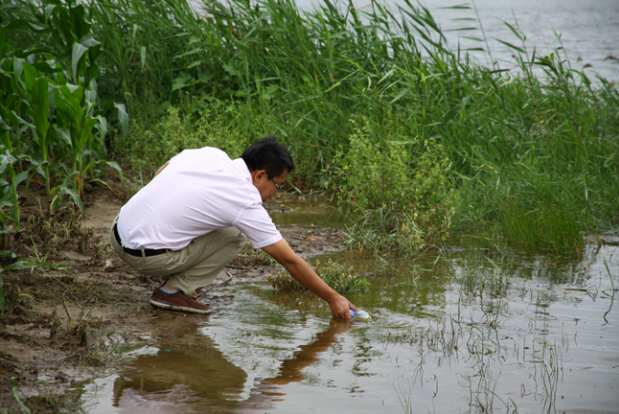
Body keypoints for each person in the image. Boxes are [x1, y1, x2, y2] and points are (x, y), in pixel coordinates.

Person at [110, 136, 357, 319]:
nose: (276, 194)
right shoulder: (243, 197)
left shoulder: (210, 154)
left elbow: (163, 170)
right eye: (278, 186)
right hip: (143, 257)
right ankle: (172, 291)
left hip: (117, 229)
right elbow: (289, 260)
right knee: (236, 235)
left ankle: (170, 270)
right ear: (259, 176)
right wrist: (334, 298)